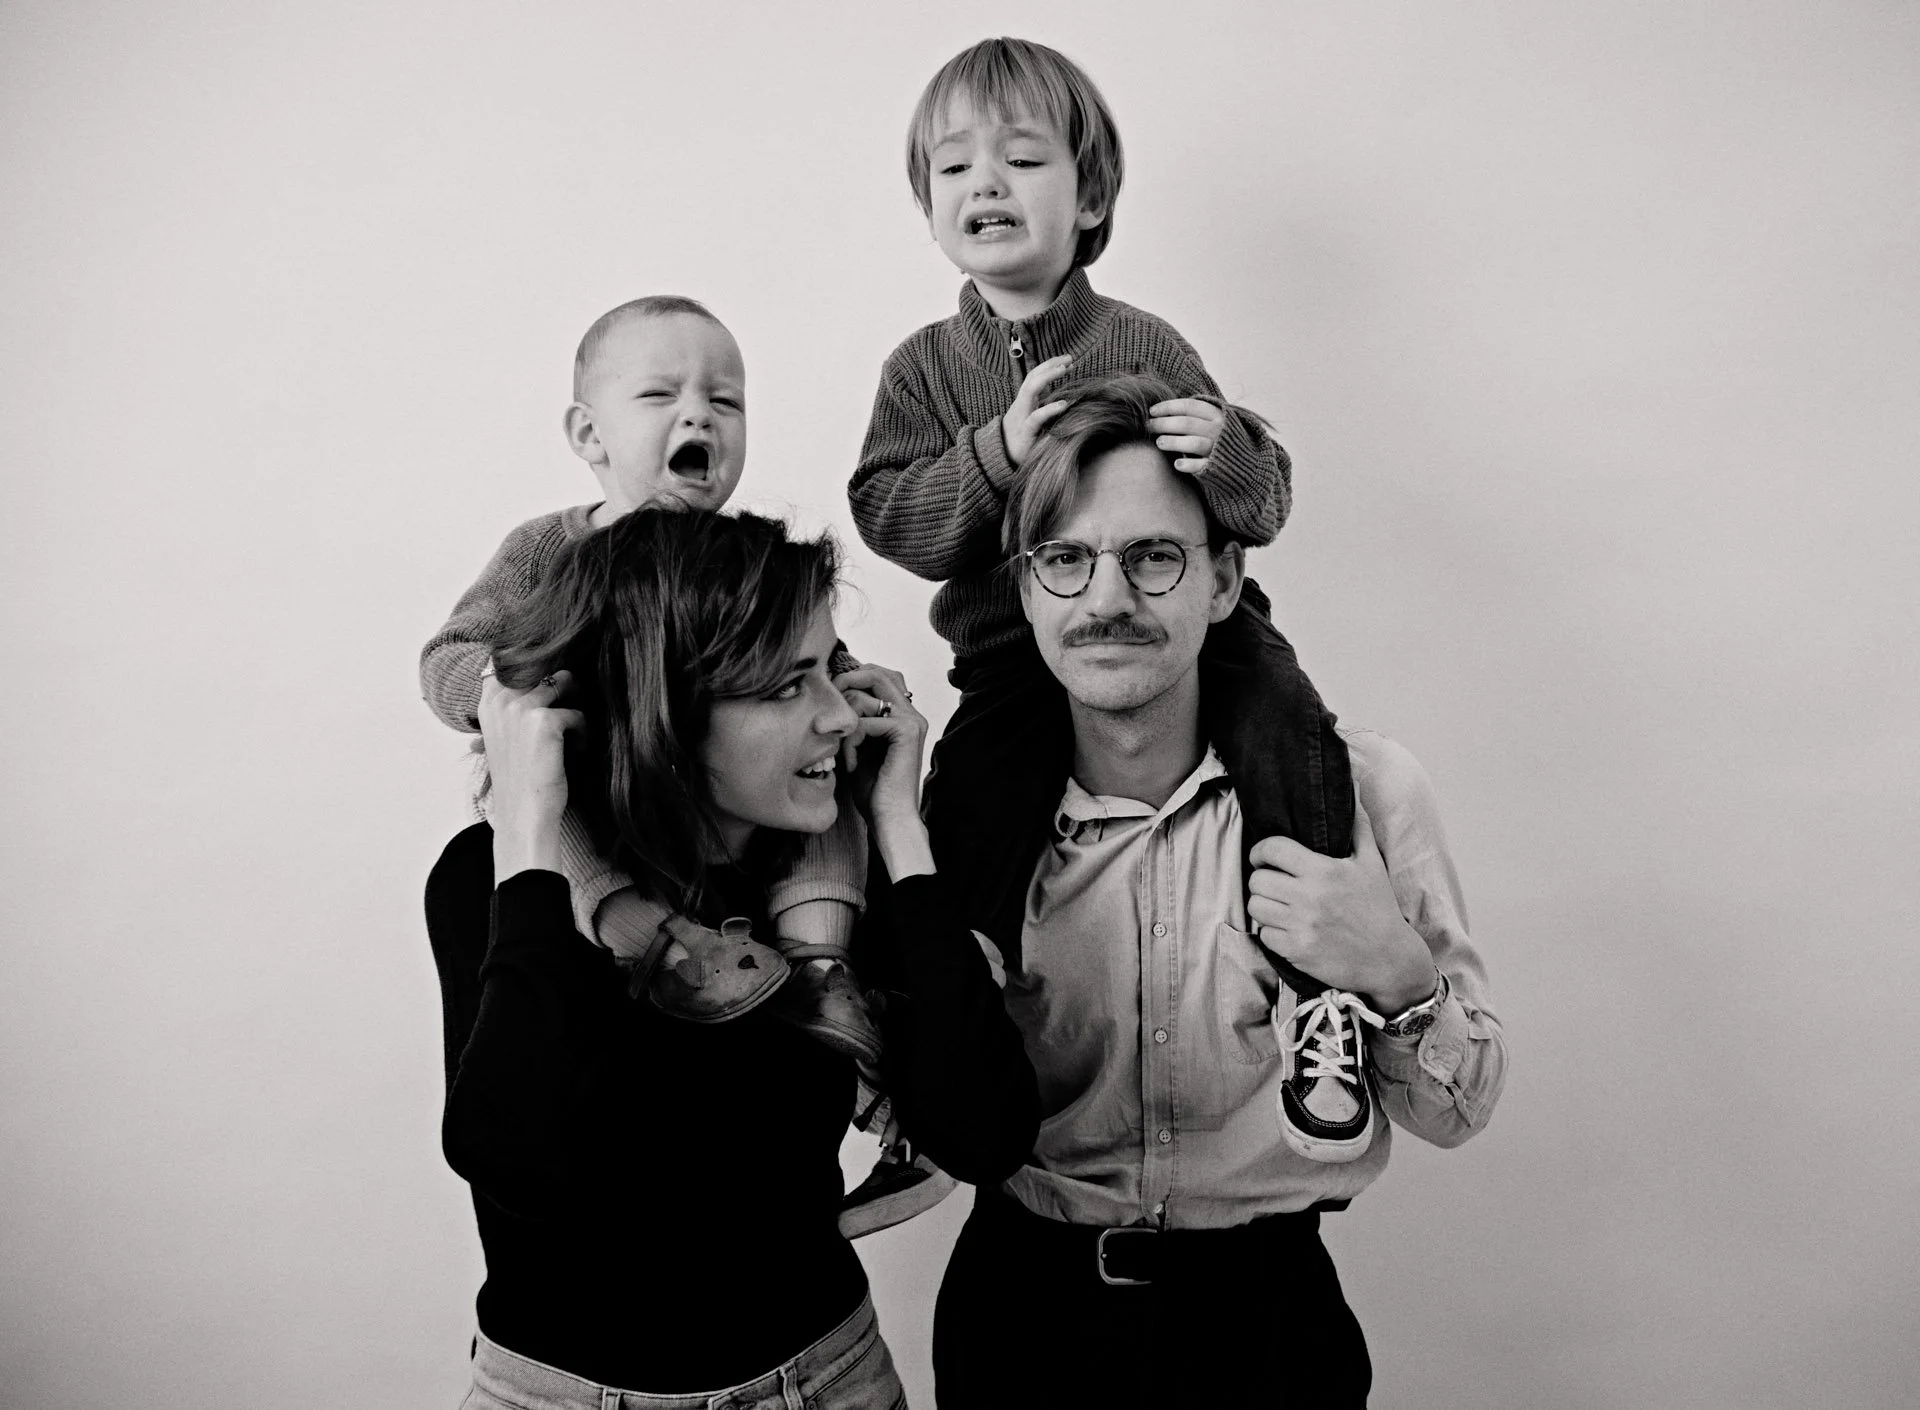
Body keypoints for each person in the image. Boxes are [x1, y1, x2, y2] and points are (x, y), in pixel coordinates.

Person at [848, 36, 1380, 1164]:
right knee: (971, 814)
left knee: (1292, 728)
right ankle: (948, 1040)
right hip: (1009, 653)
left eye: (1023, 160)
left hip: (1190, 640)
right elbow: (890, 517)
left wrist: (1226, 450)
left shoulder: (1144, 342)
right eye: (954, 169)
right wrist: (993, 455)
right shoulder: (924, 370)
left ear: (1089, 197)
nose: (985, 185)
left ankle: (1314, 993)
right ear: (927, 204)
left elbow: (1262, 504)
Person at [928, 377, 1508, 1408]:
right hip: (1024, 1323)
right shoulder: (968, 835)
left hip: (1267, 1331)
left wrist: (1393, 971)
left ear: (1225, 581)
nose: (1108, 601)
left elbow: (1460, 1113)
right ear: (1025, 590)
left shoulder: (1360, 799)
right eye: (1066, 560)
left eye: (1153, 557)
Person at [426, 508, 1038, 1408]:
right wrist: (527, 837)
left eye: (829, 669)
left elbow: (984, 1136)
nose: (839, 715)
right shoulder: (502, 880)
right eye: (786, 687)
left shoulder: (837, 870)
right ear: (664, 712)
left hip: (826, 1384)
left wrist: (903, 831)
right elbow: (515, 1162)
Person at [421, 296, 940, 1231]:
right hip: (579, 779)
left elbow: (800, 674)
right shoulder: (550, 549)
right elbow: (447, 656)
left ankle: (824, 976)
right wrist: (519, 705)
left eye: (725, 401)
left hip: (814, 1337)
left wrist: (842, 696)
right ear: (587, 433)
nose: (698, 416)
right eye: (660, 394)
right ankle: (650, 936)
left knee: (834, 802)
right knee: (541, 814)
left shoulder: (737, 563)